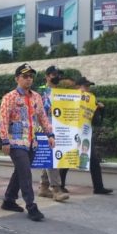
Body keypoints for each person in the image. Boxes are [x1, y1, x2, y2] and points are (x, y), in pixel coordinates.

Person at [0, 63, 55, 221]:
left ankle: (9, 200)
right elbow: (3, 120)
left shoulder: (36, 97)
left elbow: (43, 117)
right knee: (25, 173)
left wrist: (50, 134)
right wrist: (4, 140)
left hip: (32, 142)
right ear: (17, 78)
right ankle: (31, 206)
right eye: (25, 76)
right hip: (15, 142)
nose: (28, 79)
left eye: (31, 76)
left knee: (20, 172)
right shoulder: (9, 97)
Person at [37, 66, 70, 202]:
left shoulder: (61, 92)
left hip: (58, 127)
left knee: (48, 157)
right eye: (54, 74)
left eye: (58, 74)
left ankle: (44, 187)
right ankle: (56, 189)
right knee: (52, 157)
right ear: (47, 76)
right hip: (45, 128)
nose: (57, 77)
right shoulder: (41, 91)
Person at [76, 77, 113, 195]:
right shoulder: (71, 97)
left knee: (93, 161)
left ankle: (98, 187)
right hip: (72, 132)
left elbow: (96, 121)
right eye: (85, 86)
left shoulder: (91, 100)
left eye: (89, 87)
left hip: (86, 133)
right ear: (78, 87)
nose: (88, 89)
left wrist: (100, 109)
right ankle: (59, 186)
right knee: (69, 159)